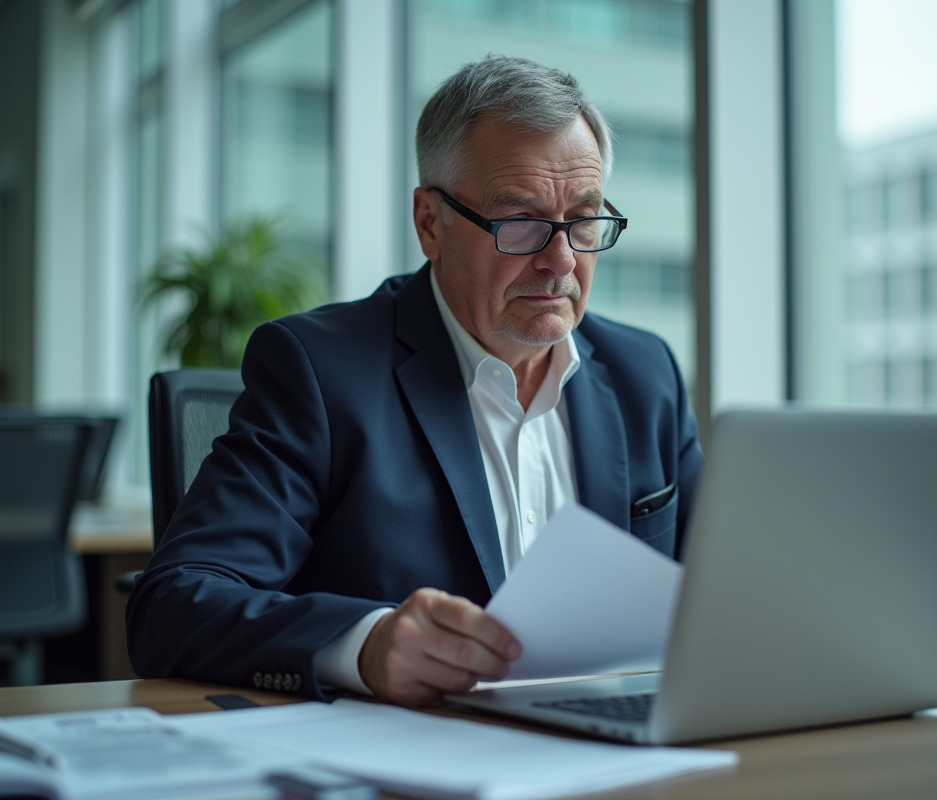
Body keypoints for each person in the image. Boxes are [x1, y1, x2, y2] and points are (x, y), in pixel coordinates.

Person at [126, 55, 702, 707]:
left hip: (621, 752)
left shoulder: (644, 373)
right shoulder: (318, 371)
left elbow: (729, 585)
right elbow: (172, 606)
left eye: (584, 218)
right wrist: (365, 644)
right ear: (431, 222)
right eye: (521, 223)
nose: (562, 259)